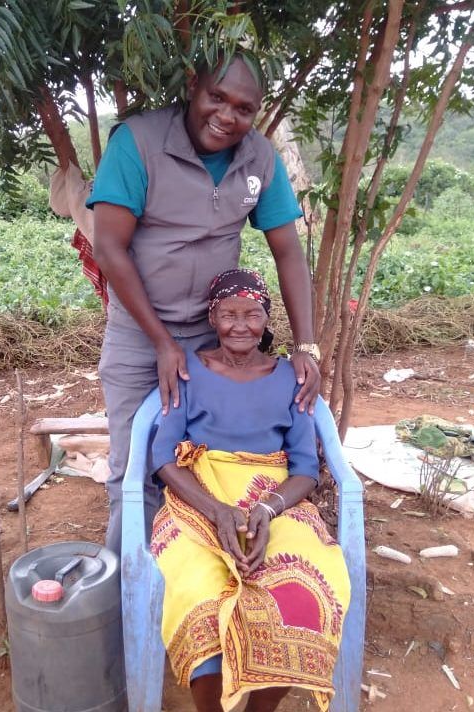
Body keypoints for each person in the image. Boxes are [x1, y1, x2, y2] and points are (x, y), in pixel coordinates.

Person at [88, 53, 321, 553]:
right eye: (216, 97)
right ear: (194, 86)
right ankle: (128, 603)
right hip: (139, 336)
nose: (226, 116)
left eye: (243, 107)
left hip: (213, 341)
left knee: (207, 466)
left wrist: (306, 345)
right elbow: (109, 247)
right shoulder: (139, 143)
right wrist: (161, 342)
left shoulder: (258, 157)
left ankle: (201, 589)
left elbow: (288, 251)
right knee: (134, 472)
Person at [149, 269, 350, 712]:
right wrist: (217, 509)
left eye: (252, 314)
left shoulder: (291, 378)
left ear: (266, 319)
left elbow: (304, 469)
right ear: (212, 318)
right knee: (202, 594)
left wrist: (268, 508)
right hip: (197, 497)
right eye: (228, 314)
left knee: (304, 591)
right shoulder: (187, 369)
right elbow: (163, 457)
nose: (240, 326)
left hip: (276, 499)